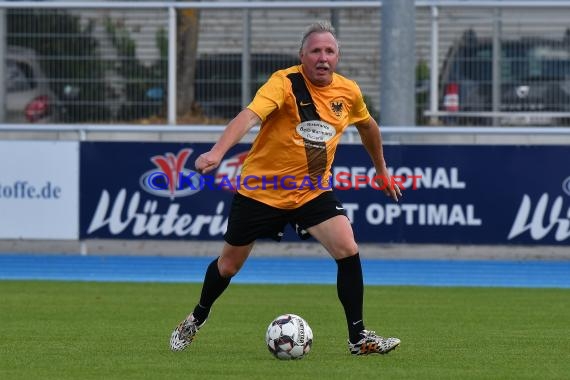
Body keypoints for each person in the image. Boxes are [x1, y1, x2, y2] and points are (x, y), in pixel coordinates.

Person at [170, 21, 402, 356]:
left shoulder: (348, 91)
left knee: (348, 249)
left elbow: (368, 127)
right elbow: (249, 117)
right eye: (316, 51)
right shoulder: (284, 83)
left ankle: (358, 337)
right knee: (228, 266)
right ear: (302, 56)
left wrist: (381, 170)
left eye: (329, 51)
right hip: (261, 191)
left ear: (337, 56)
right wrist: (217, 152)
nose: (323, 58)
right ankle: (198, 316)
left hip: (311, 192)